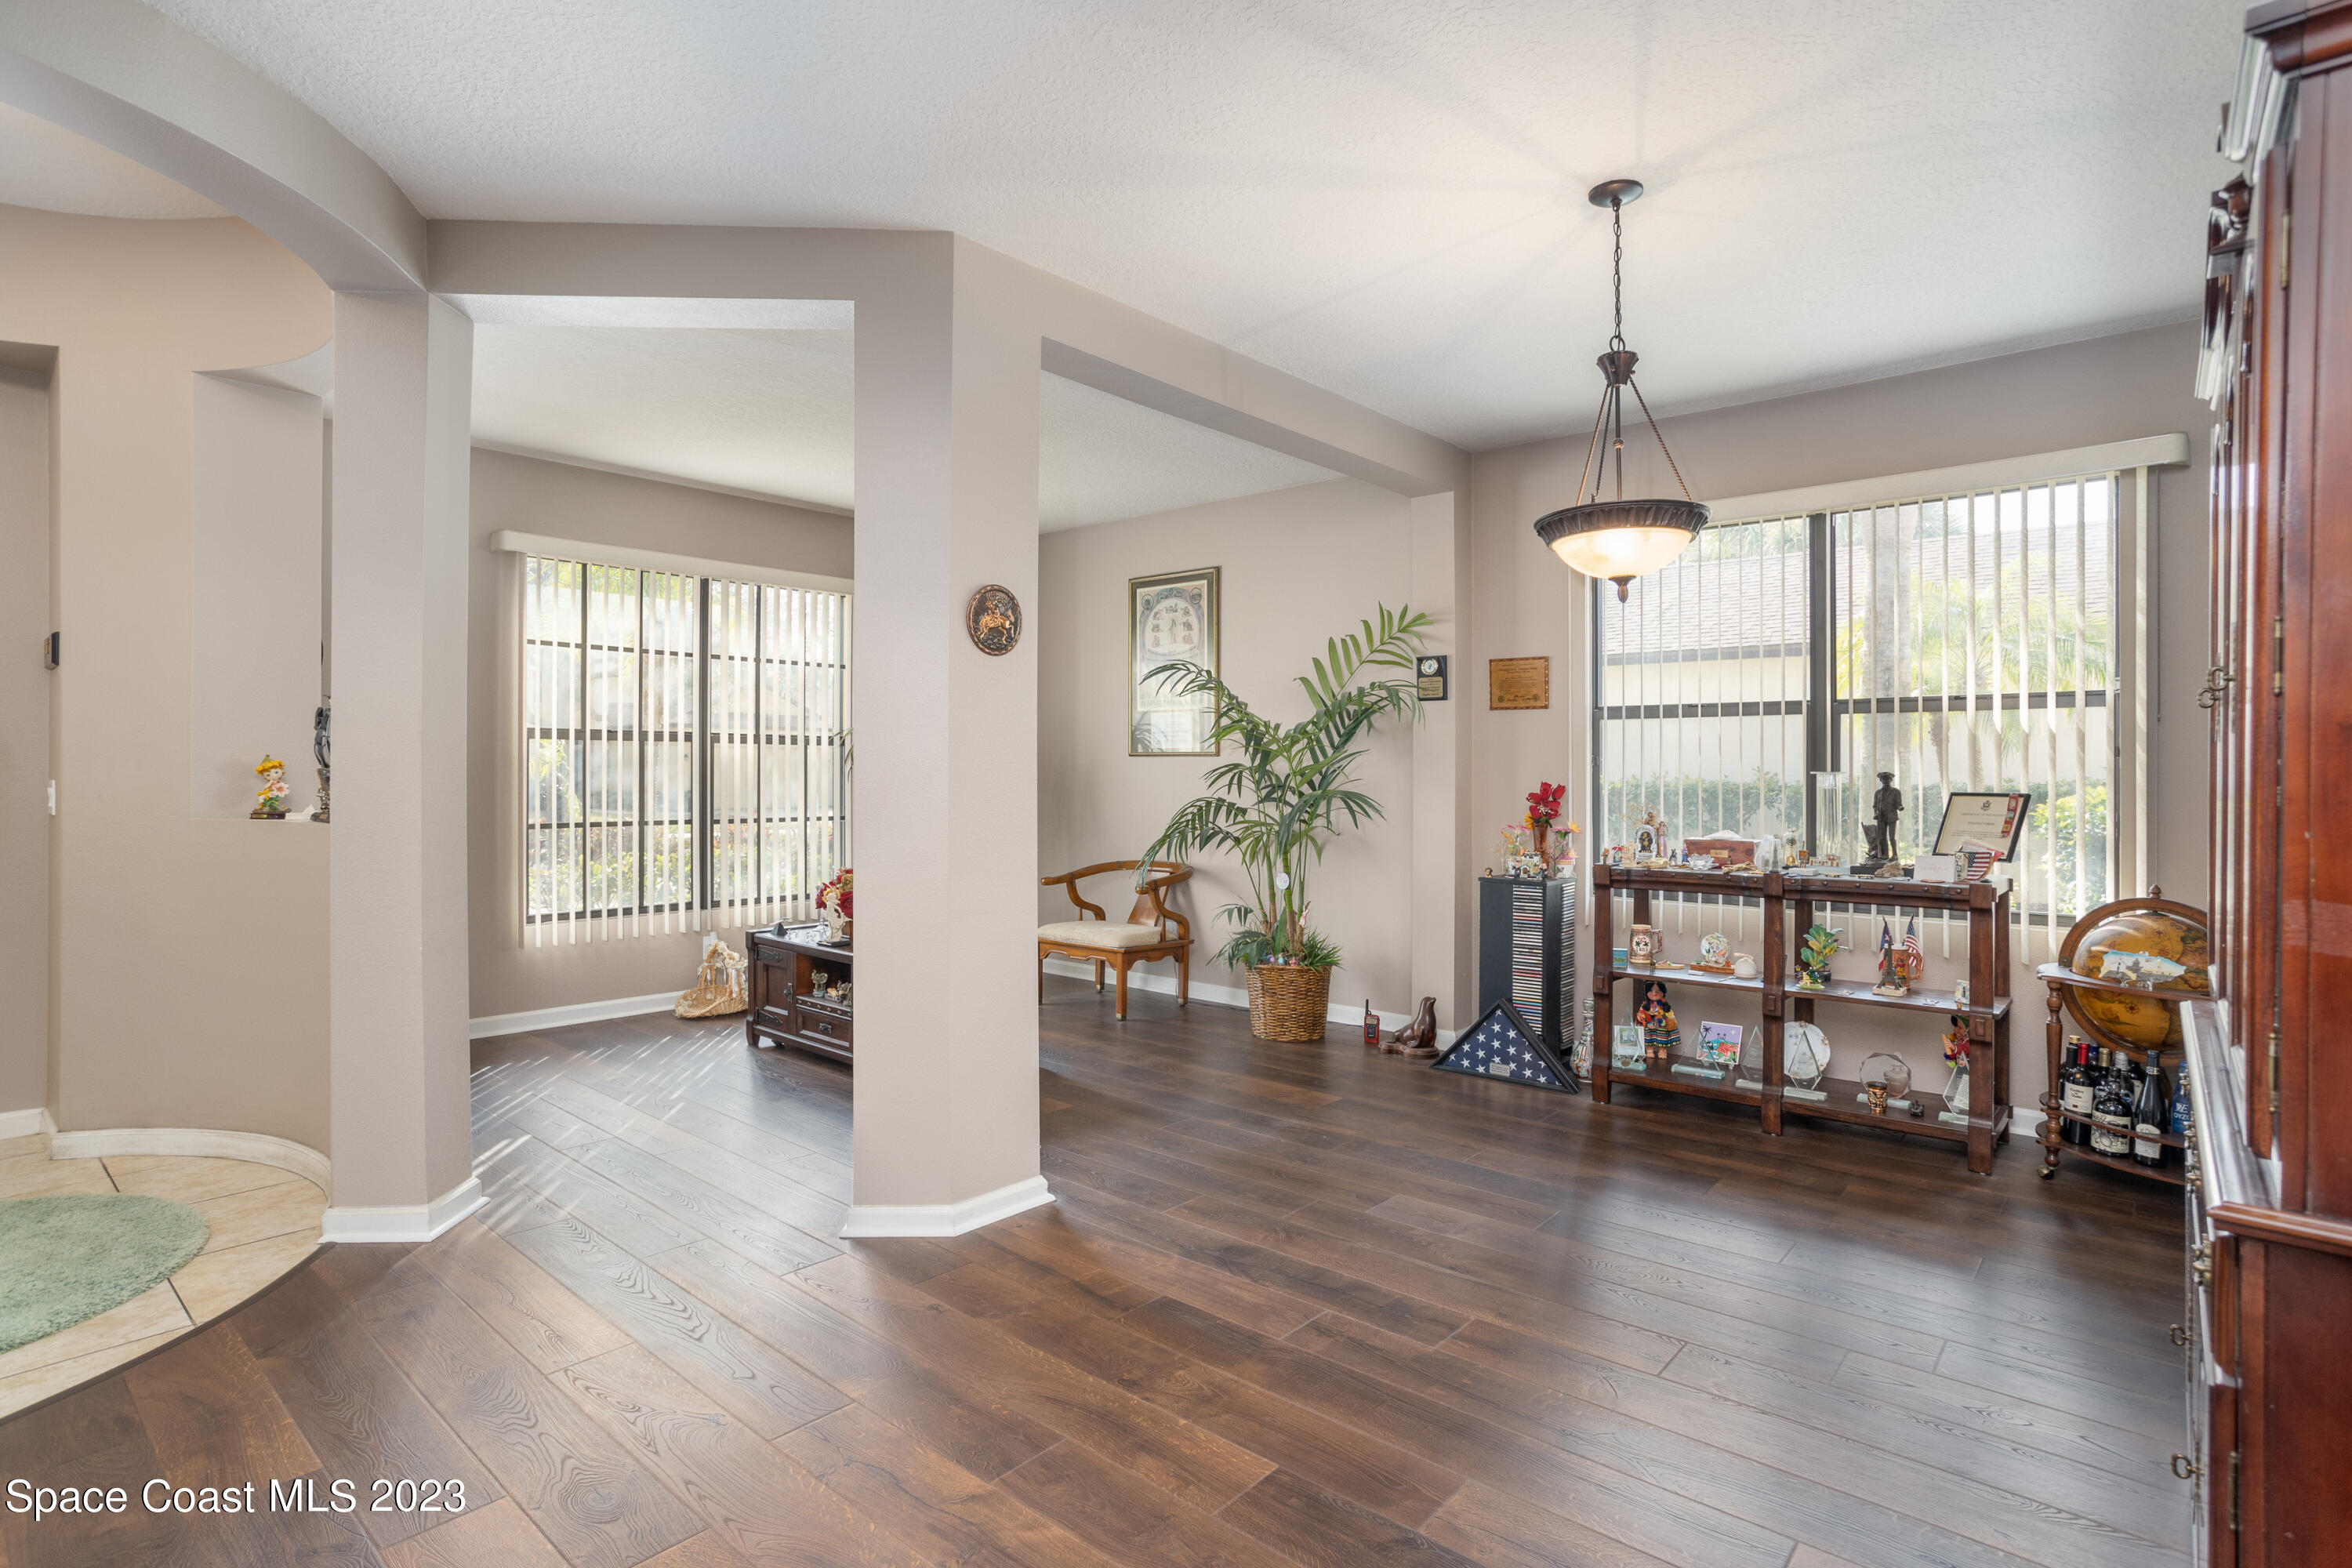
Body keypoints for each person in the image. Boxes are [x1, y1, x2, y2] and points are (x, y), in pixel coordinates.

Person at [1864, 771, 1903, 863]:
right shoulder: (1878, 792)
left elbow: (1898, 804)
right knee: (1882, 837)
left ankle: (1895, 854)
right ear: (1881, 780)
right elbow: (1875, 805)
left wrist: (1900, 807)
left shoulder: (1896, 791)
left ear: (1891, 780)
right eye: (1884, 779)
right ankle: (1885, 854)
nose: (1886, 781)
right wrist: (1875, 814)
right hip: (1881, 817)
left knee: (1892, 837)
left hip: (1892, 816)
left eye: (1888, 779)